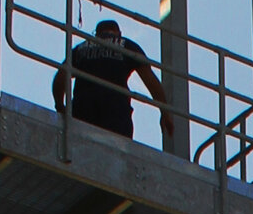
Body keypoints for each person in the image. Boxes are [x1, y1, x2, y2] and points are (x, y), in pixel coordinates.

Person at [55, 9, 170, 148]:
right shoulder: (127, 45)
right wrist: (165, 112)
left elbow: (60, 77)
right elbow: (151, 81)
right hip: (115, 110)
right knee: (118, 154)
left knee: (79, 150)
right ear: (118, 33)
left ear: (96, 34)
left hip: (83, 108)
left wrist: (60, 106)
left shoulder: (81, 48)